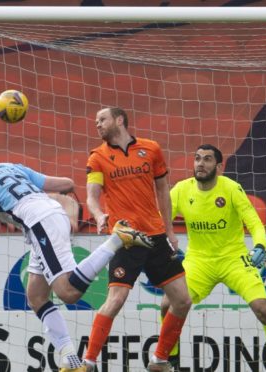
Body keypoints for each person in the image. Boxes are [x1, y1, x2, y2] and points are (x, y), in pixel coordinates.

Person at [0, 137, 153, 372]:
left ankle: (116, 239)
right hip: (49, 216)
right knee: (36, 295)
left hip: (41, 223)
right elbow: (66, 183)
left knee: (68, 292)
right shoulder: (12, 167)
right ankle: (70, 359)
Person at [160, 144, 266, 372]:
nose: (200, 163)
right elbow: (161, 221)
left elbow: (254, 222)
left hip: (234, 259)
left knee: (263, 310)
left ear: (218, 166)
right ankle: (172, 360)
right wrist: (164, 243)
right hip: (199, 260)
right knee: (167, 305)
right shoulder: (181, 190)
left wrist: (259, 246)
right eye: (197, 158)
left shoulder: (231, 189)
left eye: (207, 159)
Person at [83, 107, 192, 372]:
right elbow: (92, 196)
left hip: (155, 236)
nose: (97, 124)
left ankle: (159, 359)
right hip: (126, 238)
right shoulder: (97, 157)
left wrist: (169, 231)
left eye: (102, 119)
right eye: (96, 121)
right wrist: (98, 215)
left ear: (119, 120)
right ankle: (88, 362)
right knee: (115, 300)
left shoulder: (151, 149)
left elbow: (163, 190)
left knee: (182, 300)